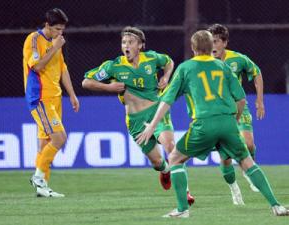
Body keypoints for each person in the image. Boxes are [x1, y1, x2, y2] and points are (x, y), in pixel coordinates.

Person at [136, 30, 289, 218]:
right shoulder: (223, 66)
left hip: (204, 124)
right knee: (247, 161)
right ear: (211, 47)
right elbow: (241, 99)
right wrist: (234, 120)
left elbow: (166, 101)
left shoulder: (186, 68)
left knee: (175, 158)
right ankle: (276, 206)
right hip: (228, 122)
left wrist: (152, 125)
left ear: (193, 48)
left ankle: (183, 210)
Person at [82, 26, 194, 204]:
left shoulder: (151, 58)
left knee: (170, 147)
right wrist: (108, 87)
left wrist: (166, 77)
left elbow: (169, 62)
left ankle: (185, 192)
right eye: (124, 42)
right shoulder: (114, 66)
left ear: (140, 45)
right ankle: (165, 171)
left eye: (131, 42)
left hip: (157, 111)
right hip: (135, 121)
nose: (126, 45)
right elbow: (86, 81)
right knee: (157, 162)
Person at [23, 8, 80, 197]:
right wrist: (54, 47)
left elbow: (62, 68)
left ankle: (42, 188)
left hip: (56, 98)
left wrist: (72, 94)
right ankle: (38, 176)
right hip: (39, 98)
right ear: (47, 25)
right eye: (56, 29)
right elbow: (37, 66)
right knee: (59, 138)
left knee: (44, 144)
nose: (60, 33)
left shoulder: (57, 41)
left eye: (62, 29)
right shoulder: (33, 40)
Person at [207, 24, 265, 204]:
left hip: (239, 107)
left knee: (248, 143)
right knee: (225, 157)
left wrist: (259, 101)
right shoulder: (202, 62)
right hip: (217, 113)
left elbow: (256, 73)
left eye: (215, 41)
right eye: (210, 41)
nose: (212, 45)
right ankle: (234, 189)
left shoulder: (238, 59)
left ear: (224, 42)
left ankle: (248, 171)